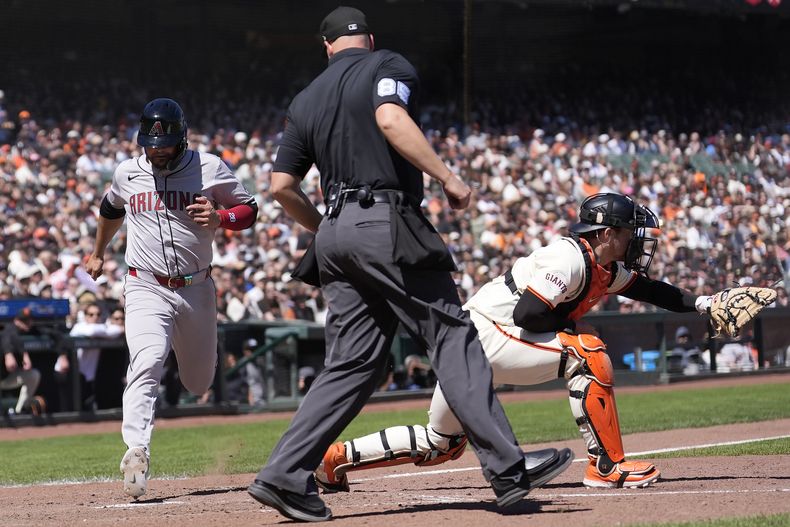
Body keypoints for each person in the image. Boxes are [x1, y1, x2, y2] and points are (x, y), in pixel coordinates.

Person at [247, 7, 572, 522]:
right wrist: (450, 178)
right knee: (452, 336)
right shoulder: (386, 64)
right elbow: (390, 117)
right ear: (369, 39)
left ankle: (284, 476)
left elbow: (281, 187)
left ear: (326, 46)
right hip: (386, 220)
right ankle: (509, 471)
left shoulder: (306, 98)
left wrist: (332, 229)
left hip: (333, 231)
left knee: (353, 362)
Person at [316, 192, 738, 492]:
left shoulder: (602, 264)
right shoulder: (570, 257)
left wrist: (705, 302)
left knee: (441, 443)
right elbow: (528, 314)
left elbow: (651, 291)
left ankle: (333, 459)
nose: (635, 241)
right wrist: (568, 334)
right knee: (586, 352)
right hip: (488, 333)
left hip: (470, 341)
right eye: (628, 232)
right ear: (607, 233)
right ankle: (607, 467)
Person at [85, 97, 257, 499]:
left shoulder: (209, 167)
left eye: (164, 143)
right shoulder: (127, 172)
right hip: (145, 284)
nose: (157, 149)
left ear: (182, 138)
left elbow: (248, 209)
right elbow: (110, 209)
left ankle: (191, 369)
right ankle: (136, 450)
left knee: (199, 382)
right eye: (150, 143)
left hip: (196, 287)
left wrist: (222, 218)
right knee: (146, 361)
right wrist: (98, 251)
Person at [54, 303, 124, 411]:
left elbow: (109, 331)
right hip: (66, 372)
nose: (94, 317)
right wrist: (116, 329)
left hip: (86, 376)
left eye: (97, 314)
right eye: (91, 314)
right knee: (67, 407)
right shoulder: (80, 327)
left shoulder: (103, 328)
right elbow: (92, 331)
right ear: (85, 316)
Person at [0, 308, 42, 415]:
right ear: (17, 320)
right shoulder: (9, 329)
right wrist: (9, 354)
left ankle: (20, 410)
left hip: (8, 378)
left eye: (29, 320)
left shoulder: (33, 330)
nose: (28, 323)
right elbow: (7, 337)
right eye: (24, 321)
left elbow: (55, 334)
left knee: (33, 375)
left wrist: (63, 354)